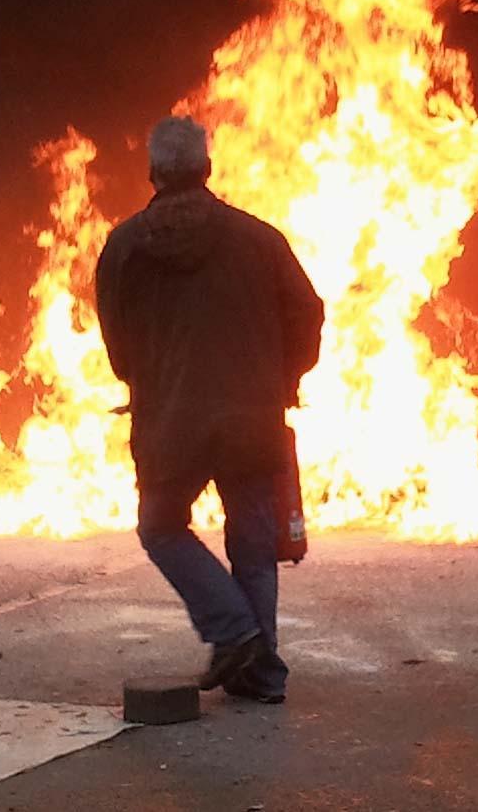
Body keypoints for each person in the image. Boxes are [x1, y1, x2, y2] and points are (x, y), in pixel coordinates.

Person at [96, 115, 323, 700]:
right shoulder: (259, 238)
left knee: (161, 527)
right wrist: (285, 377)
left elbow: (116, 339)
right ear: (208, 169)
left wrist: (143, 381)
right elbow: (308, 313)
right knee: (252, 543)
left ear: (153, 175)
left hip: (172, 423)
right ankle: (261, 671)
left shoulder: (124, 248)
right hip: (252, 416)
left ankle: (236, 633)